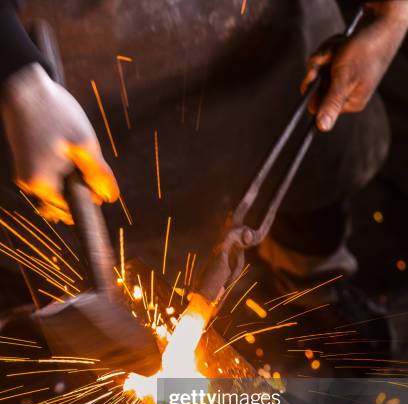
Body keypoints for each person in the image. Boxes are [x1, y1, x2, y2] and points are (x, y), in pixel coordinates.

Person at [1, 0, 407, 346]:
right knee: (57, 243)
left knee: (306, 186)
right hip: (81, 75)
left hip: (274, 43)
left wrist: (394, 15)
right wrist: (18, 75)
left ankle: (314, 286)